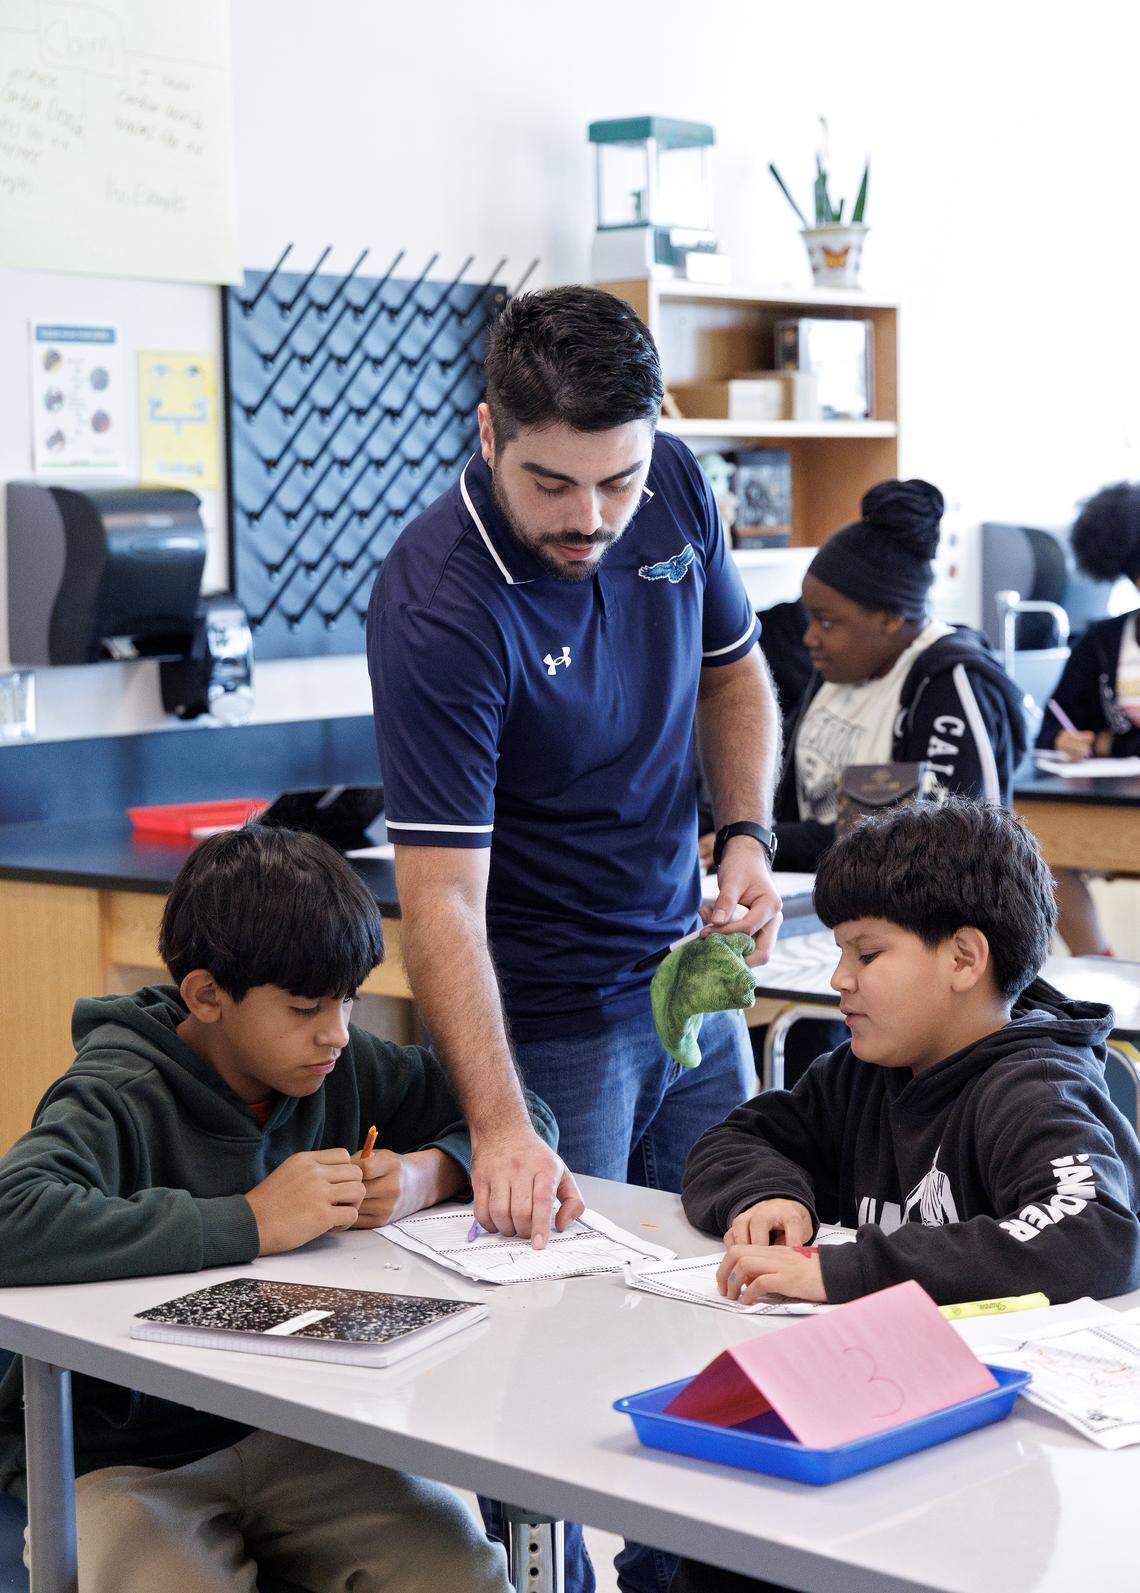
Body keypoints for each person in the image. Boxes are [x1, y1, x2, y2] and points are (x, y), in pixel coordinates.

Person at [367, 284, 783, 1593]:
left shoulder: (676, 491)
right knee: (548, 1352)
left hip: (684, 974)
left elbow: (734, 671)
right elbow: (438, 900)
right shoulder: (441, 604)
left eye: (616, 480)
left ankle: (690, 1578)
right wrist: (497, 1120)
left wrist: (745, 835)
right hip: (549, 1016)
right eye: (553, 484)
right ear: (488, 432)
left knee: (732, 1283)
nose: (590, 518)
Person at [0, 825, 553, 1593]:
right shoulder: (117, 1089)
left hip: (293, 1428)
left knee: (460, 1567)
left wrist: (429, 1173)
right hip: (122, 1457)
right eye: (304, 1007)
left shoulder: (339, 1062)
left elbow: (521, 1123)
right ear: (206, 995)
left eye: (348, 1000)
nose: (335, 1032)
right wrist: (251, 1219)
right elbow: (13, 1220)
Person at [672, 798, 1140, 1593]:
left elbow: (1093, 1233)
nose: (837, 978)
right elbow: (735, 1139)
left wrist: (843, 1269)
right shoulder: (866, 1072)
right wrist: (770, 1194)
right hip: (877, 1426)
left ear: (964, 958)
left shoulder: (1034, 1087)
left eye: (866, 952)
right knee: (710, 1543)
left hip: (1001, 1471)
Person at [774, 480, 1029, 869]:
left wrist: (775, 843)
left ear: (890, 618)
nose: (810, 638)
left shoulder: (949, 684)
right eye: (809, 618)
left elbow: (934, 842)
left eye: (826, 623)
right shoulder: (839, 670)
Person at [1036, 481, 1140, 955]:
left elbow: (1109, 742)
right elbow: (1052, 726)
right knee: (1043, 845)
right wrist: (1065, 741)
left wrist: (1105, 744)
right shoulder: (1102, 641)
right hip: (1105, 804)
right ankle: (1100, 970)